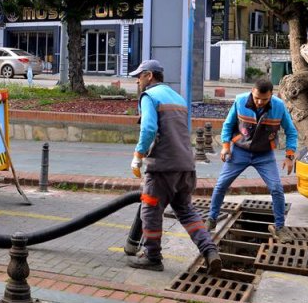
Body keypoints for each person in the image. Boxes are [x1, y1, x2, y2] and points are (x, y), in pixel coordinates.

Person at [128, 59, 221, 273]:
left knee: (150, 209)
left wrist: (138, 155)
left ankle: (152, 257)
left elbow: (149, 128)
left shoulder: (149, 96)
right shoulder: (178, 98)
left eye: (139, 77)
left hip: (163, 168)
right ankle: (209, 251)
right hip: (186, 167)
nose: (137, 82)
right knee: (187, 211)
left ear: (149, 76)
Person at [205, 78, 298, 242]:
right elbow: (228, 125)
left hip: (264, 155)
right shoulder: (240, 101)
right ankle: (211, 219)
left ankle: (280, 227)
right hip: (239, 151)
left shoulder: (279, 106)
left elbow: (291, 131)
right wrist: (226, 146)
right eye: (257, 98)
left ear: (271, 95)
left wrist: (290, 156)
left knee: (276, 188)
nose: (260, 102)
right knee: (221, 185)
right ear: (252, 92)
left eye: (265, 99)